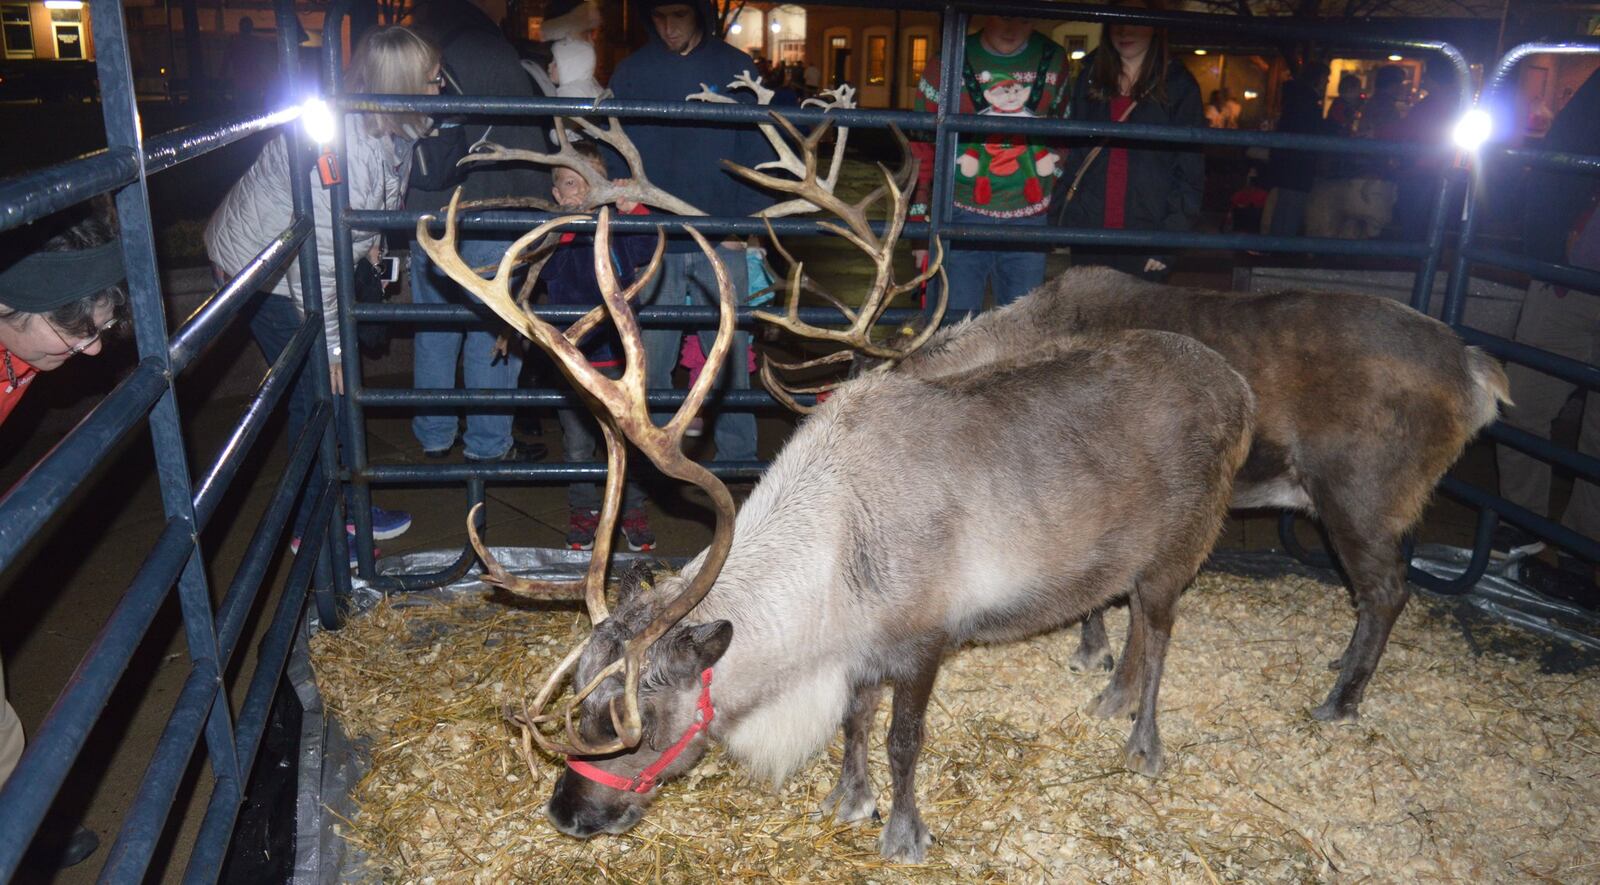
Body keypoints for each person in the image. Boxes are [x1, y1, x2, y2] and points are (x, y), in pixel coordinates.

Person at [206, 25, 433, 561]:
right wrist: (330, 346)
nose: (439, 88)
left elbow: (366, 208)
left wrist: (375, 244)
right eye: (430, 79)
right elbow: (325, 261)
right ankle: (317, 527)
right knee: (318, 395)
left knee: (328, 393)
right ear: (398, 84)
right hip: (263, 270)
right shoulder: (347, 143)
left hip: (294, 263)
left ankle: (344, 508)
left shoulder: (384, 128)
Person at [0, 203, 129, 869]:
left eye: (102, 324)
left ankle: (21, 828)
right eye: (74, 329)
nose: (95, 349)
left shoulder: (20, 341)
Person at [606, 0, 770, 468]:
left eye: (677, 15)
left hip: (722, 236)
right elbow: (613, 141)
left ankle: (741, 459)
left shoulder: (735, 66)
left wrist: (742, 223)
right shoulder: (633, 71)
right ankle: (657, 455)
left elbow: (757, 150)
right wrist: (625, 198)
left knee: (731, 360)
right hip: (657, 237)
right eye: (658, 17)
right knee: (653, 358)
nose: (667, 27)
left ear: (698, 13)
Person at [406, 0, 552, 465]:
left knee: (436, 331)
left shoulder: (427, 51)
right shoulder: (499, 52)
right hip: (502, 206)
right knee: (492, 333)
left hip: (436, 213)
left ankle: (434, 434)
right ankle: (487, 445)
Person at [1495, 68, 1600, 600]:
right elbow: (1562, 154)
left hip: (1570, 273)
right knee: (1522, 403)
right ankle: (1526, 528)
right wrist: (1547, 249)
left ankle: (1581, 549)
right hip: (1571, 280)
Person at [909, 16, 1071, 323]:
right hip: (960, 214)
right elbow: (922, 145)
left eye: (1024, 18)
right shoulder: (947, 60)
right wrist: (920, 228)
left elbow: (1065, 129)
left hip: (1029, 218)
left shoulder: (1054, 61)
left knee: (1022, 330)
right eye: (1001, 14)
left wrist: (1049, 181)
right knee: (953, 328)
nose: (1012, 27)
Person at [539, 142, 658, 551]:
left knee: (629, 433)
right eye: (571, 183)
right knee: (577, 440)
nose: (581, 191)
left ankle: (633, 507)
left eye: (591, 182)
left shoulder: (616, 223)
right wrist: (569, 223)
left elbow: (645, 250)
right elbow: (545, 267)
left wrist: (630, 210)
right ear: (557, 195)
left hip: (620, 352)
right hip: (575, 355)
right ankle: (585, 507)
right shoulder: (554, 232)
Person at [1054, 0, 1203, 282]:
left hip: (1145, 233)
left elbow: (1190, 172)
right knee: (1089, 321)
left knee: (1136, 323)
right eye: (1118, 19)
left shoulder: (1179, 85)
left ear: (1155, 27)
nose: (1124, 29)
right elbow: (1075, 152)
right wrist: (1061, 221)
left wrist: (1167, 242)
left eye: (1136, 19)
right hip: (1090, 229)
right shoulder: (1090, 77)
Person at [1261, 61, 1331, 238]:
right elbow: (1310, 130)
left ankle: (1276, 245)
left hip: (1289, 160)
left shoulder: (1296, 98)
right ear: (1319, 79)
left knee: (1284, 204)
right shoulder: (1308, 101)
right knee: (1293, 206)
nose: (1328, 82)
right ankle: (1282, 248)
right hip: (1299, 162)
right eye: (1326, 78)